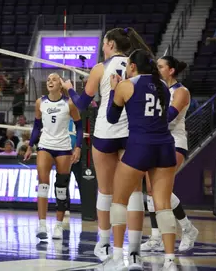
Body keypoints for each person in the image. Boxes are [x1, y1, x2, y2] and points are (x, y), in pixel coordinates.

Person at [61, 27, 152, 261]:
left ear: (111, 44)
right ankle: (134, 252)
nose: (102, 47)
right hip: (132, 131)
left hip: (106, 131)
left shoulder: (100, 68)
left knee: (106, 190)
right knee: (133, 192)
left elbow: (81, 104)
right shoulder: (136, 66)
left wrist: (70, 89)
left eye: (104, 43)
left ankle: (103, 244)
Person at [104, 49, 178, 271]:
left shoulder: (128, 85)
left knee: (119, 200)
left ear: (133, 67)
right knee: (163, 205)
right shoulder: (163, 86)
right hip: (165, 146)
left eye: (128, 65)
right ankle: (170, 261)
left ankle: (118, 257)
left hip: (140, 145)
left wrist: (113, 89)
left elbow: (111, 117)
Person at [141, 56, 199, 253]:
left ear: (171, 70)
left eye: (160, 67)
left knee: (160, 189)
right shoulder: (155, 90)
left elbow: (168, 116)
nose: (157, 70)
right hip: (156, 140)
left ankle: (187, 229)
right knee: (150, 189)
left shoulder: (181, 91)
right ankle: (156, 236)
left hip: (175, 141)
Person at [24, 73, 83, 240]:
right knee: (43, 184)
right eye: (48, 79)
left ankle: (58, 225)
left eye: (54, 79)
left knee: (61, 188)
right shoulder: (40, 102)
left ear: (61, 84)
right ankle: (42, 224)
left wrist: (77, 147)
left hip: (64, 147)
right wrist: (30, 146)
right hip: (45, 146)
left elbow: (79, 127)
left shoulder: (69, 103)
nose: (50, 81)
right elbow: (36, 126)